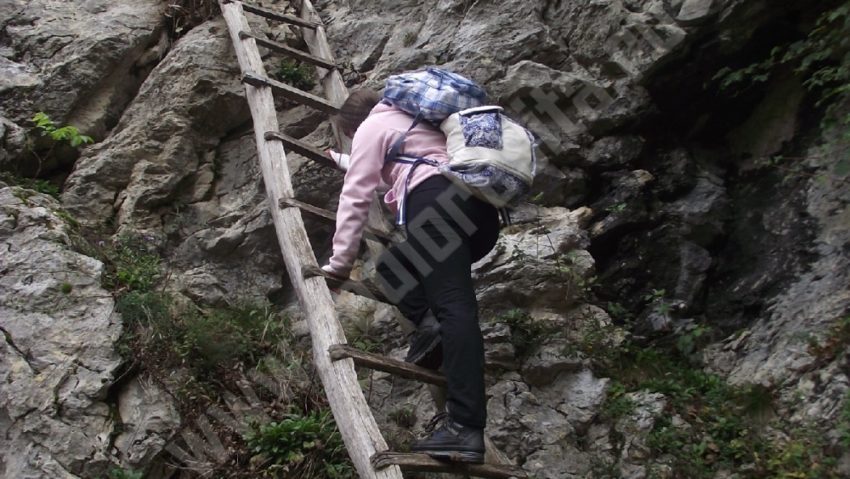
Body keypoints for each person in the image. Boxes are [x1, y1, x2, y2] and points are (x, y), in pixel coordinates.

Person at [320, 89, 500, 463]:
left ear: (354, 126)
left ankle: (464, 427)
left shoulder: (372, 127)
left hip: (436, 203)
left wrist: (339, 262)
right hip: (478, 211)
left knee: (455, 307)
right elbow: (403, 168)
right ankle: (430, 325)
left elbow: (356, 194)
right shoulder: (415, 123)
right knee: (395, 263)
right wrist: (345, 160)